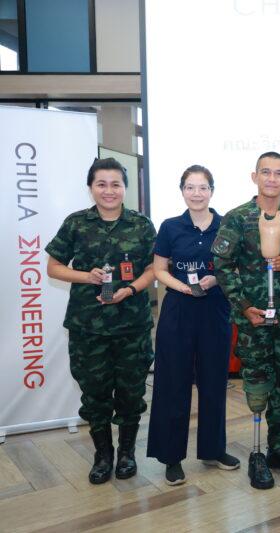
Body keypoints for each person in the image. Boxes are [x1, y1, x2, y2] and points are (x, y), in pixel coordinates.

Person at [45, 157, 156, 484]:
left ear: (125, 188)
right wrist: (87, 276)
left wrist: (130, 289)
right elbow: (53, 268)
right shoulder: (76, 223)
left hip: (132, 326)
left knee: (131, 393)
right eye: (101, 184)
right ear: (91, 188)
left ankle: (126, 453)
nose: (109, 191)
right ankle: (103, 455)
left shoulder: (141, 225)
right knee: (94, 394)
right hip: (88, 327)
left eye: (115, 184)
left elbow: (155, 268)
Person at [211, 151, 280, 489]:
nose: (272, 178)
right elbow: (222, 266)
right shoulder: (237, 219)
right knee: (256, 385)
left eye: (278, 173)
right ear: (255, 177)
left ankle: (278, 447)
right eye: (265, 172)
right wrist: (243, 306)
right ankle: (256, 453)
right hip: (252, 319)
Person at [146, 165, 239, 485]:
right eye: (190, 187)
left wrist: (217, 278)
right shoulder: (170, 227)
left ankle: (213, 449)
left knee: (214, 382)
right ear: (182, 190)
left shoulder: (228, 226)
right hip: (178, 310)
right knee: (173, 383)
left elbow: (237, 267)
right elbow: (159, 269)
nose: (196, 193)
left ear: (212, 191)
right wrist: (182, 286)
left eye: (203, 187)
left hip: (215, 309)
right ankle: (171, 457)